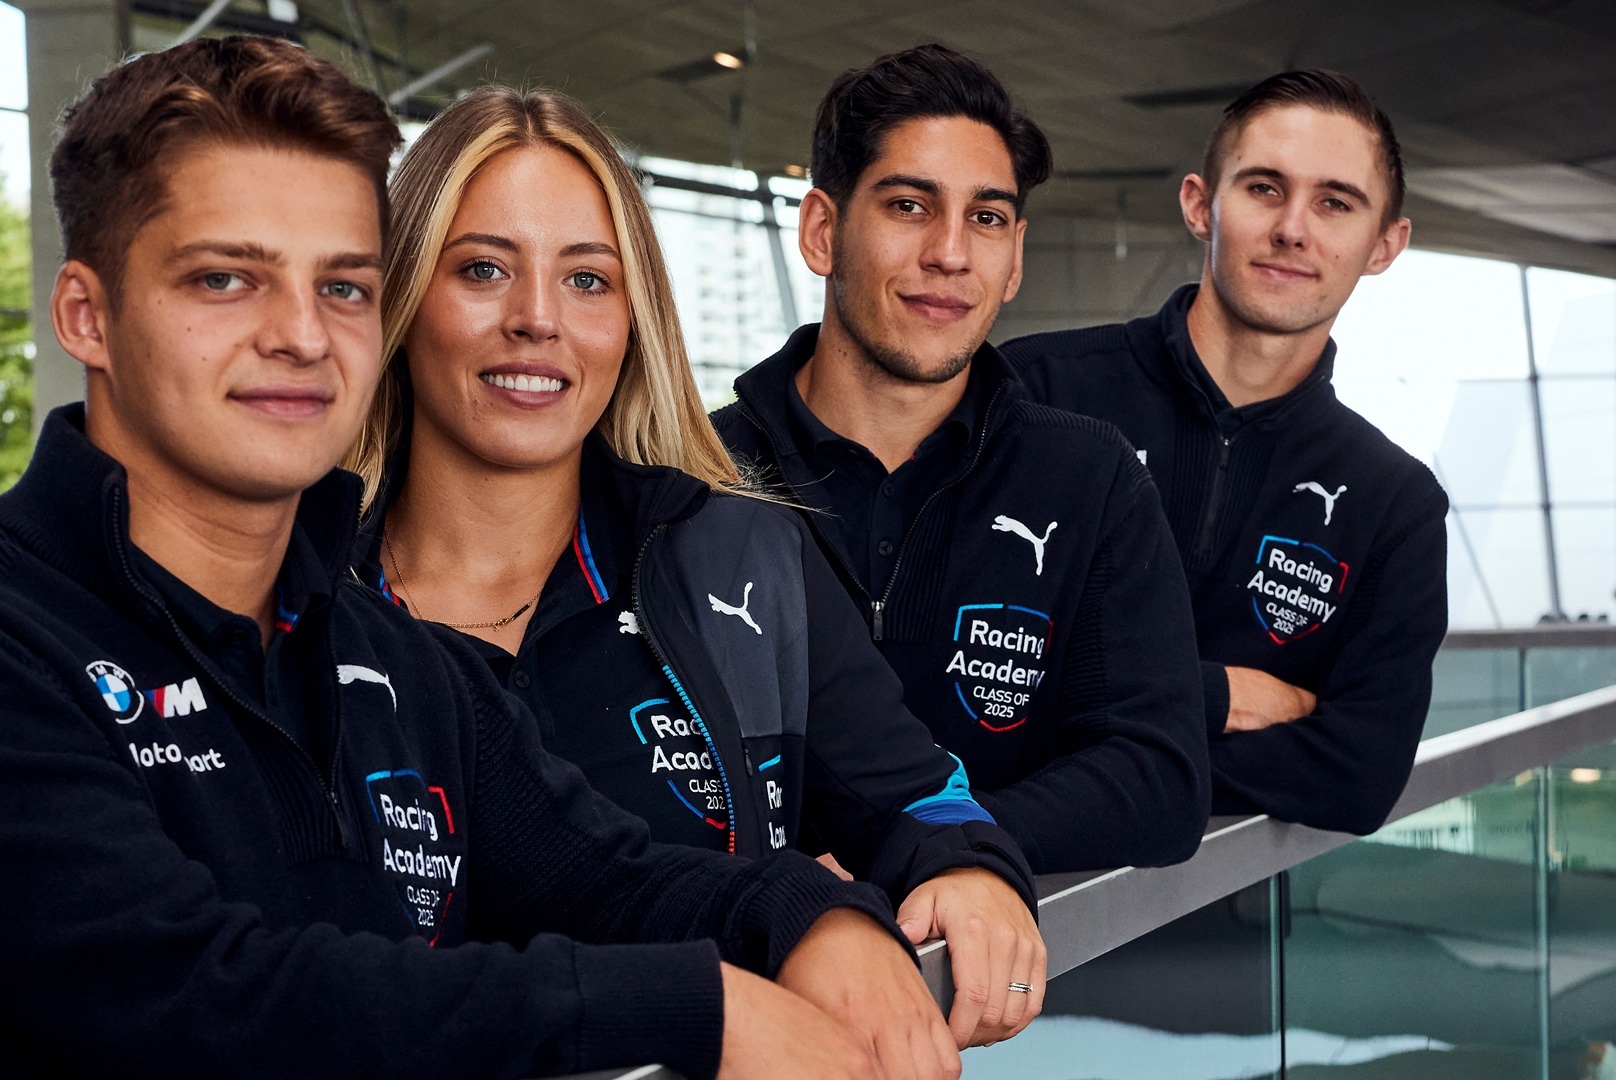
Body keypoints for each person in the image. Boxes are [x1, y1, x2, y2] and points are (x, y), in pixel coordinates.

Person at [0, 38, 964, 1080]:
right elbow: (207, 1005)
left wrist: (811, 918)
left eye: (343, 286)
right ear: (87, 316)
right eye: (225, 278)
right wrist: (694, 1006)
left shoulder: (393, 662)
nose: (301, 335)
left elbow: (612, 875)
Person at [345, 85, 1046, 1050]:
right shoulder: (299, 601)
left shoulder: (737, 557)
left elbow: (919, 798)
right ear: (401, 297)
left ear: (635, 317)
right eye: (482, 269)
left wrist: (968, 870)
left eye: (587, 279)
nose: (537, 318)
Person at [713, 45, 1210, 876]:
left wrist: (927, 845)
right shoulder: (697, 478)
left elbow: (1159, 781)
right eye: (910, 205)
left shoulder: (1090, 480)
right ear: (823, 232)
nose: (950, 252)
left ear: (1015, 260)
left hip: (1007, 956)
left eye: (986, 218)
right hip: (742, 951)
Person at [1001, 70, 1448, 836]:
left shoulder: (1393, 503)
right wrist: (1212, 698)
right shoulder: (1037, 393)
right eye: (1264, 189)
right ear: (1199, 205)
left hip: (1214, 899)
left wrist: (1096, 746)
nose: (1293, 229)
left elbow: (1358, 775)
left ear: (1384, 245)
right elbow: (973, 675)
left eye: (1335, 203)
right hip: (957, 874)